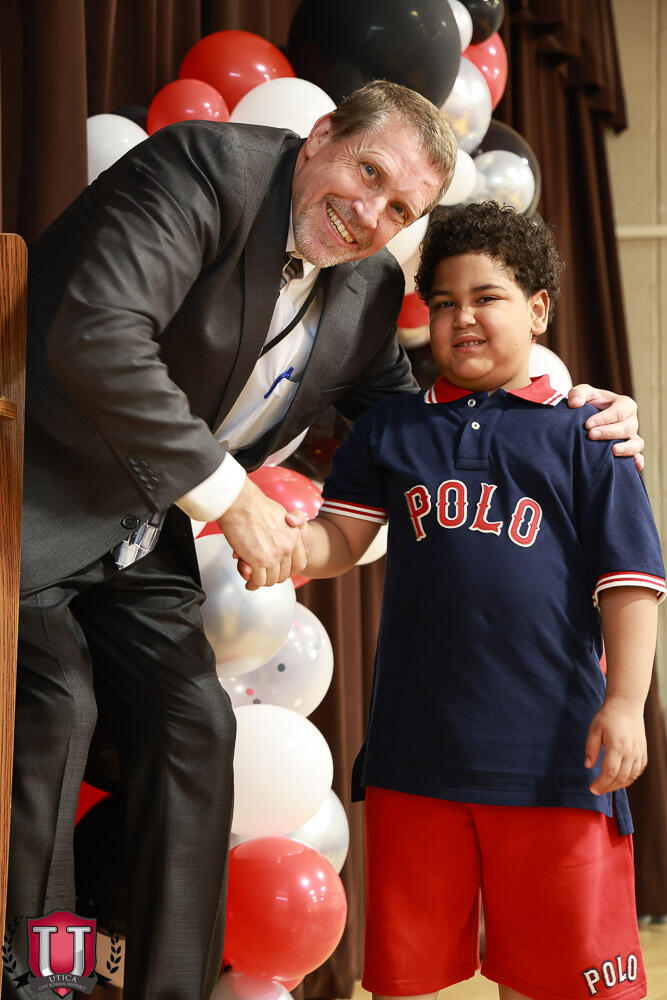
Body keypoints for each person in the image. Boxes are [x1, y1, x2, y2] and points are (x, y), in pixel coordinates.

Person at [10, 78, 644, 1000]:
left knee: (196, 730)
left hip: (139, 539)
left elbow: (421, 429)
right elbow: (97, 336)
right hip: (29, 505)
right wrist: (231, 497)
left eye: (400, 209)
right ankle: (34, 983)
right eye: (368, 172)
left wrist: (572, 406)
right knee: (58, 712)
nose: (369, 214)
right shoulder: (202, 172)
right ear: (318, 137)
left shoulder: (368, 288)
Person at [257, 203, 665, 1000]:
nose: (462, 317)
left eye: (487, 298)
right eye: (443, 303)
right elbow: (339, 539)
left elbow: (629, 583)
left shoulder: (588, 433)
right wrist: (279, 543)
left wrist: (624, 704)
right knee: (405, 981)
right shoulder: (392, 430)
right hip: (417, 756)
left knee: (552, 981)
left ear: (537, 310)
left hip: (553, 759)